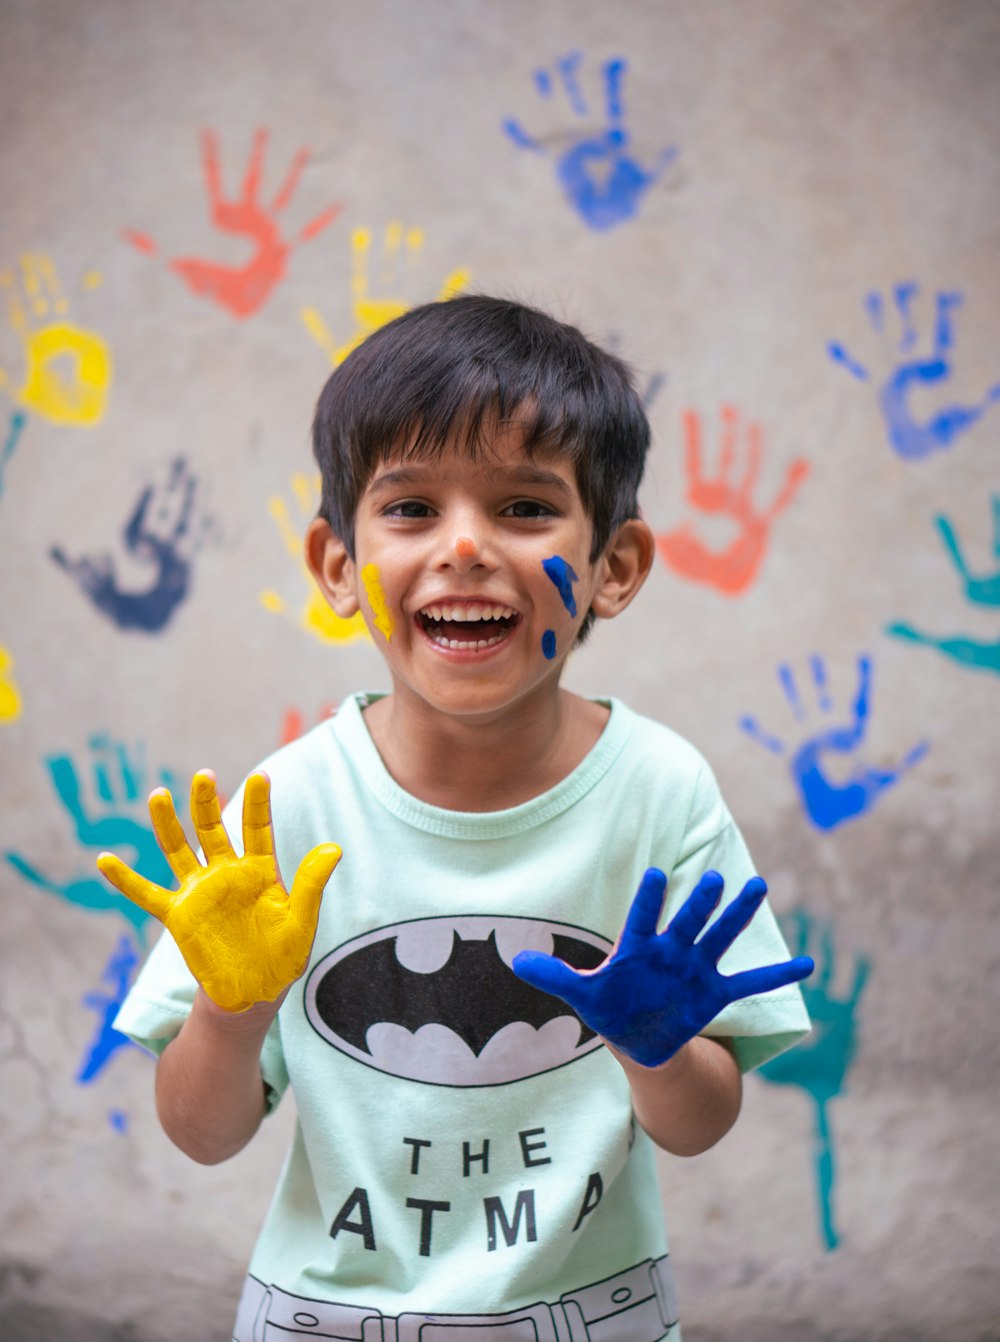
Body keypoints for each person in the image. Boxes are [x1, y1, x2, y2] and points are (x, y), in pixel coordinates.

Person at [108, 295, 813, 1341]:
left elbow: (701, 1127)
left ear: (613, 567)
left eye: (526, 508)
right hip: (325, 1318)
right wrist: (230, 1009)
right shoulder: (290, 807)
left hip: (590, 1318)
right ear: (337, 568)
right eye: (410, 509)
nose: (466, 546)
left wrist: (658, 1048)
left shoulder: (658, 791)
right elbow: (203, 1134)